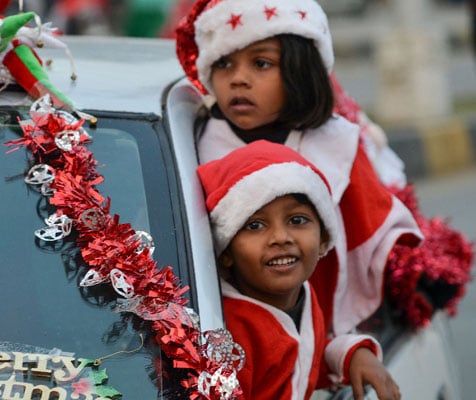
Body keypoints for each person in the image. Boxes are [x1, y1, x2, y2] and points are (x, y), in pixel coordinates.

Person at [175, 0, 424, 336]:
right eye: (223, 63)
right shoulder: (196, 146)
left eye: (261, 63)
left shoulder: (338, 143)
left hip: (328, 331)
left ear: (301, 70)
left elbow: (376, 233)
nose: (238, 79)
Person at [197, 140, 401, 400]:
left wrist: (350, 355)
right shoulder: (229, 334)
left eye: (297, 220)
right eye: (255, 225)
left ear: (324, 239)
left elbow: (301, 362)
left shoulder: (302, 295)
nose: (280, 237)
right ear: (226, 252)